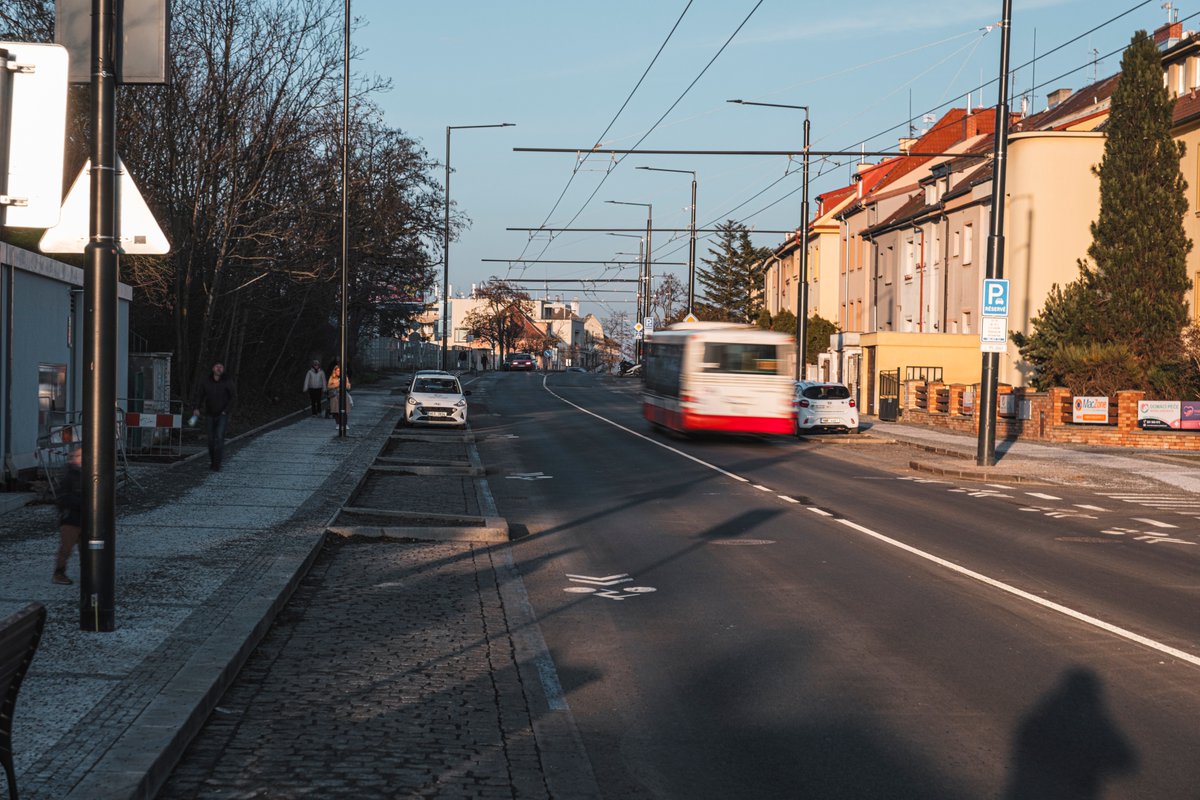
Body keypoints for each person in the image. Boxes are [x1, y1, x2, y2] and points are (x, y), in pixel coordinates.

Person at [191, 362, 237, 471]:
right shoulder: (206, 382)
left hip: (222, 414)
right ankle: (212, 462)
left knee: (220, 438)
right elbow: (200, 395)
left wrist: (226, 411)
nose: (219, 368)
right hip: (209, 414)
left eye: (221, 367)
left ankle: (217, 464)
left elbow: (234, 397)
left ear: (223, 369)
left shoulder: (228, 381)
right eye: (217, 366)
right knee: (211, 440)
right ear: (213, 368)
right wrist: (196, 408)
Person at [53, 446, 82, 585]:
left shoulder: (83, 473)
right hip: (71, 518)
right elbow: (62, 498)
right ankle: (59, 573)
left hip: (81, 518)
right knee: (66, 548)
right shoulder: (69, 476)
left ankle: (89, 573)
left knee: (87, 548)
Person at [328, 362, 352, 428]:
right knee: (336, 411)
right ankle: (338, 424)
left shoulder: (345, 377)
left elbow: (348, 386)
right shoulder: (332, 377)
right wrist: (337, 384)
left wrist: (347, 385)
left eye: (340, 370)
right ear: (335, 371)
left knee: (345, 410)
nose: (339, 372)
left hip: (343, 395)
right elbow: (329, 386)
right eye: (337, 370)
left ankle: (345, 424)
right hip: (335, 396)